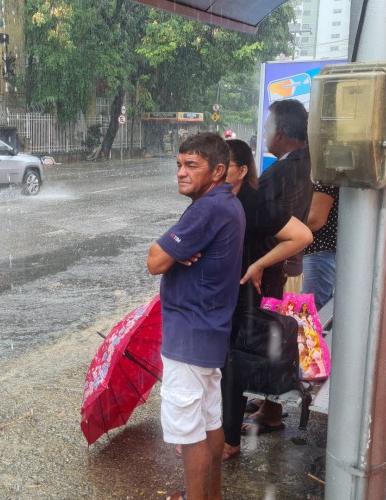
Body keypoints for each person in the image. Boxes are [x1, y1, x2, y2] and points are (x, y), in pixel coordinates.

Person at [147, 132, 245, 500]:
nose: (181, 173)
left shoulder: (207, 209)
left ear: (218, 170)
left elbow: (154, 261)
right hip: (209, 332)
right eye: (179, 165)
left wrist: (172, 251)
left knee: (190, 435)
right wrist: (179, 250)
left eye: (192, 165)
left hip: (189, 337)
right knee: (209, 424)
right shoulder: (227, 203)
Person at [220, 139, 312, 461]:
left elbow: (302, 236)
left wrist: (259, 263)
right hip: (235, 293)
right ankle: (230, 429)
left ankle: (230, 440)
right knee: (231, 359)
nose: (217, 170)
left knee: (232, 359)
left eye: (225, 165)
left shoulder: (254, 202)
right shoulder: (224, 199)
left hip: (250, 293)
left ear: (243, 170)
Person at [242, 98, 313, 436]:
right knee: (281, 334)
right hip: (289, 266)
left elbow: (258, 217)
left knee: (275, 337)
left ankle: (271, 411)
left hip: (275, 269)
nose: (266, 133)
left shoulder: (283, 169)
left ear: (281, 132)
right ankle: (268, 402)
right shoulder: (304, 163)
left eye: (268, 127)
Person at [302, 183, 339, 310]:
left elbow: (315, 220)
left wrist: (284, 227)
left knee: (312, 312)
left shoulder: (324, 179)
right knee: (314, 310)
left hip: (318, 252)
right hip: (320, 253)